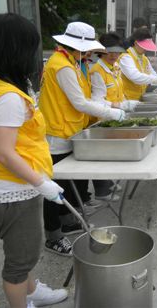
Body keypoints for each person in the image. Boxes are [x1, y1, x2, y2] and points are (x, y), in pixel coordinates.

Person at [0, 13, 68, 308]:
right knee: (19, 261)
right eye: (30, 48)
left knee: (23, 250)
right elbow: (5, 152)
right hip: (13, 192)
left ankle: (31, 291)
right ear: (16, 50)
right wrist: (43, 183)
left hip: (10, 188)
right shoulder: (7, 98)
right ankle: (21, 300)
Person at [39, 22, 126, 256]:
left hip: (70, 129)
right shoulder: (62, 66)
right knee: (55, 188)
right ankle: (53, 236)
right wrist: (112, 112)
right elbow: (79, 102)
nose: (89, 54)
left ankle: (67, 222)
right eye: (86, 50)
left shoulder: (71, 62)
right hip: (57, 132)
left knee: (69, 183)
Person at [90, 33, 139, 199]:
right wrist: (118, 106)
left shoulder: (116, 66)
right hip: (103, 119)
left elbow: (119, 91)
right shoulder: (97, 71)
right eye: (110, 52)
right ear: (101, 52)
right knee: (101, 155)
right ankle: (102, 191)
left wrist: (126, 103)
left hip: (116, 118)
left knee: (110, 153)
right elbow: (97, 100)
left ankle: (109, 183)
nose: (114, 55)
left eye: (117, 52)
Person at [119, 27, 157, 101]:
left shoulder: (144, 58)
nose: (146, 49)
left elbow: (152, 74)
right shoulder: (126, 58)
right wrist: (156, 79)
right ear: (136, 43)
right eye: (144, 46)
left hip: (139, 98)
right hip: (126, 99)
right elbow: (135, 76)